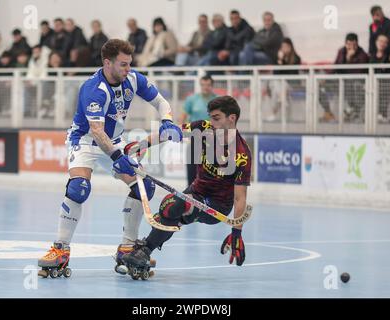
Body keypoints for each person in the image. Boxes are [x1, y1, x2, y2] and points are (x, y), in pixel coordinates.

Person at [37, 39, 182, 277]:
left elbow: (160, 101)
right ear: (107, 63)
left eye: (129, 64)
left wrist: (167, 120)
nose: (128, 69)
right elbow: (96, 131)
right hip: (84, 141)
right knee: (78, 188)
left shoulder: (133, 79)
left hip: (114, 140)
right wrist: (117, 156)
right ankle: (60, 249)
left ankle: (127, 247)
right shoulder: (94, 89)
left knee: (143, 186)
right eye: (123, 65)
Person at [122, 95, 252, 275]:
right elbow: (170, 132)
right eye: (210, 117)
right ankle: (143, 252)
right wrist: (143, 144)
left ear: (232, 118)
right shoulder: (203, 128)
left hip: (217, 207)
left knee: (173, 204)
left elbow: (240, 198)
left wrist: (237, 233)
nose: (211, 122)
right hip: (196, 191)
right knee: (168, 211)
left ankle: (143, 251)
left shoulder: (241, 154)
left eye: (216, 118)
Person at [179, 75, 217, 186]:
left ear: (212, 86)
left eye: (208, 85)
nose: (205, 87)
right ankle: (190, 199)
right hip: (194, 141)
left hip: (211, 142)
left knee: (209, 174)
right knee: (192, 174)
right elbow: (183, 117)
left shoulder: (217, 100)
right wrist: (182, 133)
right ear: (200, 85)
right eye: (203, 85)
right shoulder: (192, 99)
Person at [334, 33, 370, 122]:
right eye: (348, 44)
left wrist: (350, 59)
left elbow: (358, 72)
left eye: (353, 44)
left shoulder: (362, 54)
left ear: (357, 44)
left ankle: (354, 110)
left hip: (360, 82)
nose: (351, 47)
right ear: (345, 44)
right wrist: (347, 58)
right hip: (345, 82)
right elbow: (336, 68)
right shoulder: (342, 51)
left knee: (355, 84)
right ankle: (351, 109)